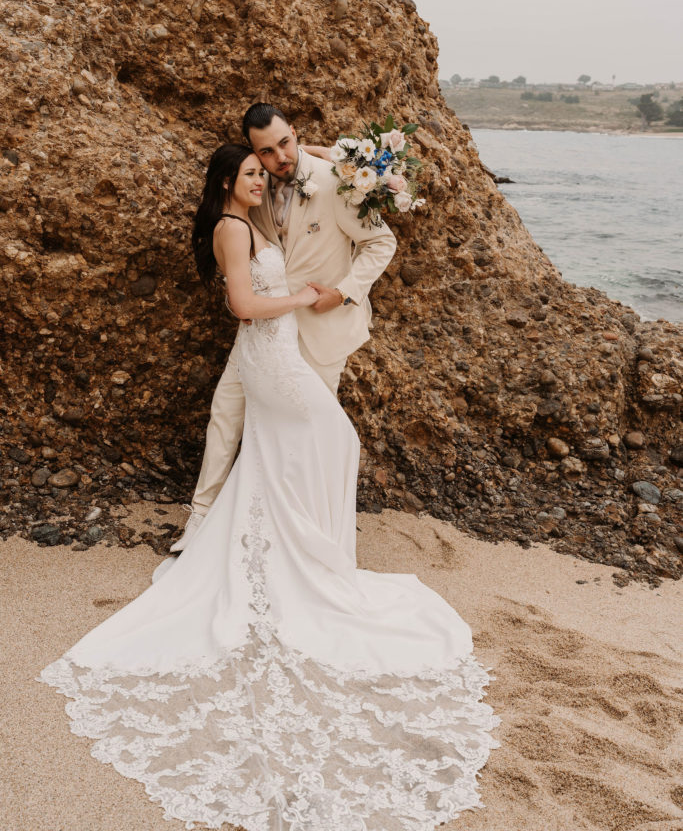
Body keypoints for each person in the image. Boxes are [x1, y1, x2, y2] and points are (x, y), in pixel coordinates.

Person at [40, 143, 498, 831]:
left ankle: (298, 550)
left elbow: (300, 177)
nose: (261, 180)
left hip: (280, 353)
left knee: (286, 456)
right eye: (251, 173)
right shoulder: (231, 229)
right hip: (269, 354)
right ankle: (307, 558)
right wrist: (305, 298)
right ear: (228, 181)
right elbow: (243, 304)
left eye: (262, 172)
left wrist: (327, 154)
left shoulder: (258, 223)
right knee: (335, 438)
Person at [171, 103, 397, 553]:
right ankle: (199, 519)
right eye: (266, 152)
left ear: (295, 133)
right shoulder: (252, 188)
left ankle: (304, 527)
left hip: (320, 325)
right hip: (263, 325)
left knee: (309, 430)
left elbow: (381, 241)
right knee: (225, 412)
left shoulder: (338, 182)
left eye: (286, 144)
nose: (280, 158)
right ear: (254, 155)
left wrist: (344, 291)